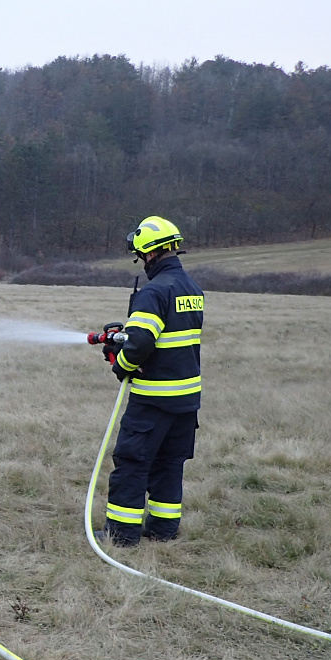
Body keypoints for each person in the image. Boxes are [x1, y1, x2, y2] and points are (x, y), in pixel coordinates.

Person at [99, 216, 204, 547]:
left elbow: (142, 343)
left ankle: (122, 535)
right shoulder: (191, 289)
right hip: (186, 401)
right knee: (169, 465)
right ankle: (163, 529)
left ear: (150, 254)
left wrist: (122, 364)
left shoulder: (154, 291)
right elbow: (165, 336)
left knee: (132, 463)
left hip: (152, 399)